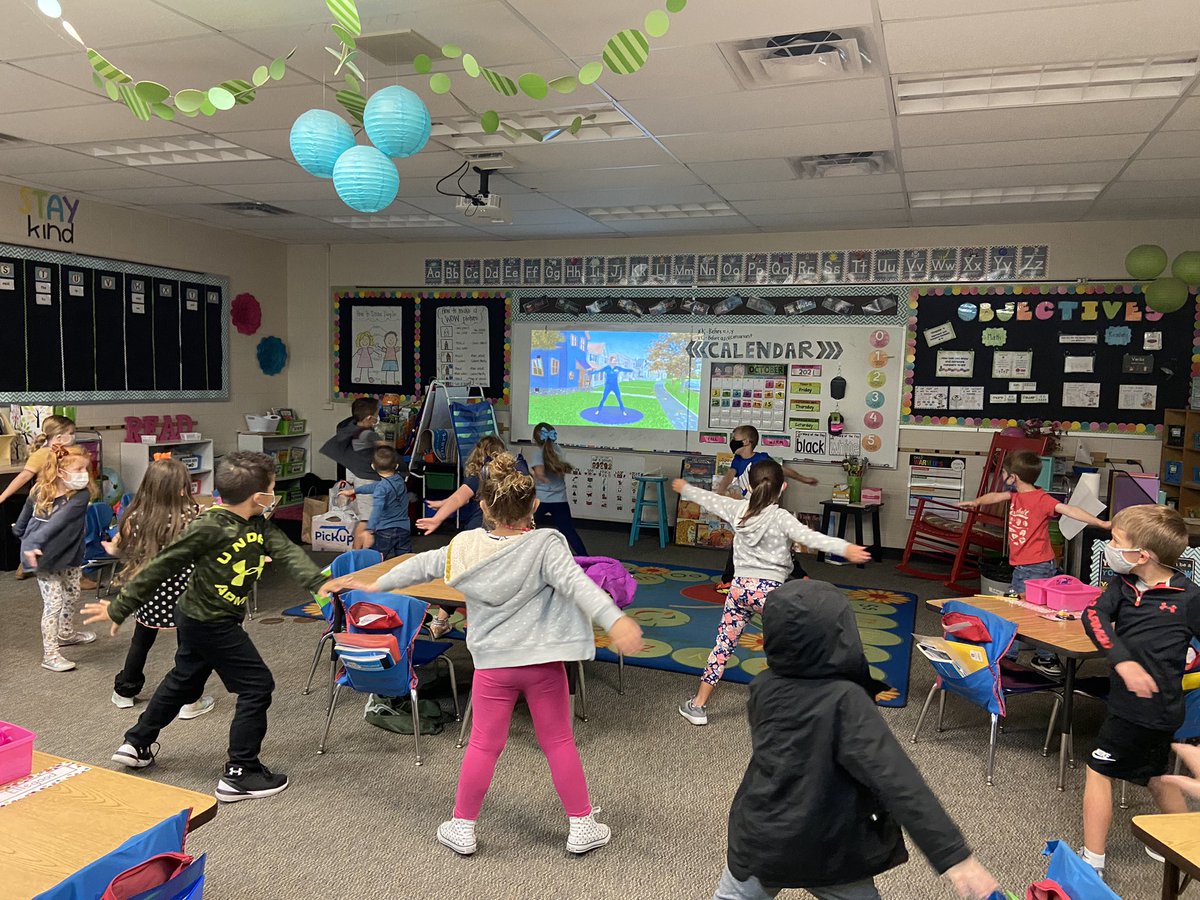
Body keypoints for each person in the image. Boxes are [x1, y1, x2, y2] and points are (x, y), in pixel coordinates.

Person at [330, 453, 644, 857]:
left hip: (494, 665)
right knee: (559, 741)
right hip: (543, 664)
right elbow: (579, 587)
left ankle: (462, 826)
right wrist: (615, 621)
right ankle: (581, 825)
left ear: (482, 507)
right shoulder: (547, 545)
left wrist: (375, 583)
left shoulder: (465, 546)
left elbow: (421, 565)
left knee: (483, 745)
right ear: (534, 506)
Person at [713, 580, 1000, 900]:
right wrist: (954, 855)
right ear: (841, 633)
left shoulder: (762, 685)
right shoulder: (846, 700)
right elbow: (897, 778)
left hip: (760, 837)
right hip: (829, 847)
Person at [82, 451, 337, 803]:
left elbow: (287, 551)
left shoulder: (259, 524)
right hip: (208, 620)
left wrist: (317, 581)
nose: (274, 495)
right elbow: (162, 564)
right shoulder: (209, 525)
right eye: (272, 489)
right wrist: (121, 607)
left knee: (184, 679)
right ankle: (240, 773)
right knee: (257, 685)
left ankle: (137, 742)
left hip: (210, 617)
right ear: (257, 496)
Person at [674, 460, 870, 725]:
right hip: (772, 595)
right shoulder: (781, 518)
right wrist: (845, 548)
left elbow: (709, 500)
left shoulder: (738, 509)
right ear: (783, 487)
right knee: (788, 649)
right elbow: (812, 538)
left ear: (748, 486)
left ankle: (698, 705)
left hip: (740, 589)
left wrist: (686, 487)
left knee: (723, 645)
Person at [1079, 504, 1200, 880]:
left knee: (1098, 770)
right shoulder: (1124, 584)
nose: (1109, 547)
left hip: (1149, 709)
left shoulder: (1189, 598)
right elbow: (1093, 616)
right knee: (1154, 774)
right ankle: (1182, 843)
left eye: (1116, 542)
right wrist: (1122, 660)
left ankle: (1091, 863)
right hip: (1128, 702)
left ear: (1142, 554)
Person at [958, 449, 1111, 677]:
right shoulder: (1016, 496)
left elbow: (1070, 510)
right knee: (1032, 608)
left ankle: (1018, 657)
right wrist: (975, 502)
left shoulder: (1041, 499)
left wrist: (1101, 524)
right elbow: (995, 497)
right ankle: (1041, 657)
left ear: (1014, 477)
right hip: (1027, 565)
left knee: (1022, 609)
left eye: (1004, 474)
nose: (1002, 477)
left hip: (1035, 566)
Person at [106, 458, 213, 720]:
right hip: (184, 595)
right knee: (188, 647)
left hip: (147, 592)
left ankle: (124, 692)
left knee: (141, 641)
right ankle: (190, 700)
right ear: (179, 489)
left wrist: (113, 548)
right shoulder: (189, 516)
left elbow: (119, 546)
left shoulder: (135, 515)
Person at [14, 446, 96, 672]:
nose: (84, 474)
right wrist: (24, 538)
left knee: (73, 593)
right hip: (43, 557)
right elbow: (26, 516)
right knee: (54, 603)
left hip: (69, 553)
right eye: (79, 469)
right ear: (60, 472)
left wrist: (31, 541)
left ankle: (66, 633)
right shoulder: (40, 490)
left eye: (85, 469)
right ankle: (50, 654)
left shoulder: (81, 495)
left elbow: (61, 521)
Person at [715, 424, 819, 593]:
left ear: (747, 442)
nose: (732, 442)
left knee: (777, 542)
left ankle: (799, 574)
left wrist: (804, 479)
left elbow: (781, 470)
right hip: (749, 508)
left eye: (735, 439)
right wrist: (720, 491)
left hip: (765, 508)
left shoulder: (761, 459)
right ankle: (729, 578)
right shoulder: (737, 461)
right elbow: (729, 476)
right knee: (740, 540)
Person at [0, 415, 87, 584]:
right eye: (72, 433)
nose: (74, 436)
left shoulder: (66, 452)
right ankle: (31, 563)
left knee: (55, 535)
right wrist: (3, 496)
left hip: (62, 498)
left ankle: (64, 570)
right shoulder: (43, 454)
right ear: (59, 437)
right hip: (47, 499)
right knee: (49, 533)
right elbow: (24, 476)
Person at [319, 396, 388, 548]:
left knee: (369, 518)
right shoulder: (363, 435)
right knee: (366, 521)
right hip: (366, 480)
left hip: (366, 480)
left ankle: (360, 552)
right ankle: (358, 553)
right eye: (376, 415)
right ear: (370, 418)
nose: (377, 418)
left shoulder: (356, 430)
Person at [416, 435, 507, 537]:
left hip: (480, 529)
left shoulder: (479, 476)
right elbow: (462, 497)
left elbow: (460, 498)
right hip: (501, 528)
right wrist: (444, 503)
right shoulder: (506, 476)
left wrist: (437, 519)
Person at [527, 422, 587, 556]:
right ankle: (586, 558)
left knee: (527, 529)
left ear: (536, 438)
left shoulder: (538, 454)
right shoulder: (558, 450)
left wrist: (528, 474)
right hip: (560, 500)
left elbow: (540, 476)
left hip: (540, 500)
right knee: (569, 531)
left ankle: (522, 556)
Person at [343, 446, 411, 558]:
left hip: (385, 530)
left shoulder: (382, 487)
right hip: (404, 528)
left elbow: (377, 510)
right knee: (404, 560)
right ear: (397, 465)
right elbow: (376, 486)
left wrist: (369, 530)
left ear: (373, 467)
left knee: (376, 559)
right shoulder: (399, 479)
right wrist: (355, 490)